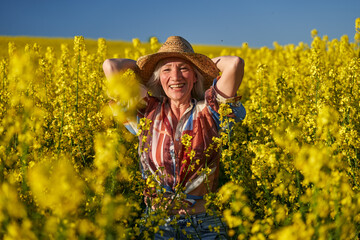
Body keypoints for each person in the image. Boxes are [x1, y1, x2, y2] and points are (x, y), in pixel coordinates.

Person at [103, 36, 246, 239]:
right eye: (166, 69)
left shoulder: (211, 111)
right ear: (158, 79)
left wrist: (205, 63)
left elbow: (234, 64)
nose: (175, 76)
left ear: (195, 76)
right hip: (157, 223)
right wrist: (138, 68)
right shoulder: (146, 113)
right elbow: (110, 67)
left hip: (204, 225)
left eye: (184, 68)